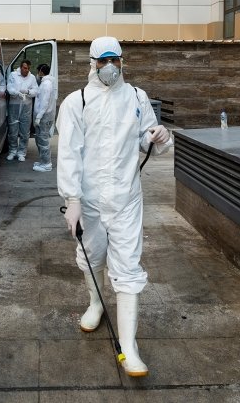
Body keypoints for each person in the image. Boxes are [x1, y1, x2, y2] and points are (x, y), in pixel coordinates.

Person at [56, 36, 172, 377]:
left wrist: (161, 138)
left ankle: (130, 347)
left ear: (123, 61)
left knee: (128, 267)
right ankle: (95, 303)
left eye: (115, 60)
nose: (110, 67)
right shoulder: (76, 102)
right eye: (103, 61)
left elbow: (147, 138)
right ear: (92, 64)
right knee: (91, 257)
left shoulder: (137, 97)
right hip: (89, 201)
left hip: (126, 198)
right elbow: (68, 154)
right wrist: (72, 200)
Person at [6, 59, 38, 162]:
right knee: (13, 131)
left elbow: (36, 91)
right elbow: (9, 88)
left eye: (28, 68)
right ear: (20, 67)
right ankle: (12, 151)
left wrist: (28, 91)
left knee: (25, 132)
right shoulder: (13, 75)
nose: (27, 70)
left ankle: (22, 153)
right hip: (14, 106)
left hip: (26, 108)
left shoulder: (32, 78)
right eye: (25, 68)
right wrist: (17, 93)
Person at [33, 63, 58, 172]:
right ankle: (43, 160)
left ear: (41, 72)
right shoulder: (44, 83)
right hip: (43, 115)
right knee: (39, 138)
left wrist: (39, 116)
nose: (37, 74)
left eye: (38, 71)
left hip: (44, 116)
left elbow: (45, 102)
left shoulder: (46, 84)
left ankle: (47, 164)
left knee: (43, 140)